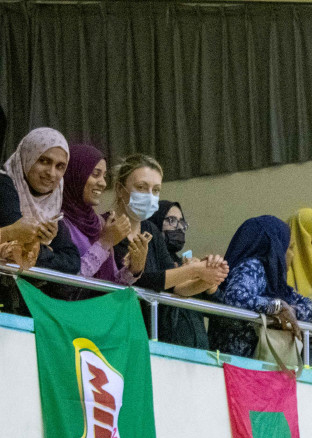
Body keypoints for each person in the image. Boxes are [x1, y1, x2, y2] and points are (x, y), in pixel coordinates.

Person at [107, 154, 226, 345]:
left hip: (154, 335)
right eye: (141, 187)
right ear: (121, 190)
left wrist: (207, 278)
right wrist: (194, 270)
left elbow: (174, 287)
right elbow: (143, 281)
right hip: (119, 332)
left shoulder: (151, 230)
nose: (149, 195)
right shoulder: (106, 227)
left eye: (156, 190)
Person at [208, 215, 312, 359]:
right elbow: (235, 297)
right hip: (236, 365)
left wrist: (293, 309)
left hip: (253, 366)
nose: (292, 254)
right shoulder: (253, 266)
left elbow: (305, 309)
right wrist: (276, 307)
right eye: (289, 247)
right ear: (276, 247)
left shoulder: (272, 280)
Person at [0, 127, 80, 274]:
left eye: (60, 166)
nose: (51, 173)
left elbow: (73, 262)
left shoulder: (52, 201)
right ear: (27, 156)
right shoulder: (4, 186)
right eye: (44, 161)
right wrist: (48, 252)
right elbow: (20, 243)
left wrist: (41, 253)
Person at [59, 143, 138, 285]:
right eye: (95, 174)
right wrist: (104, 243)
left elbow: (111, 284)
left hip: (101, 306)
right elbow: (67, 282)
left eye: (104, 176)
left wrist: (133, 269)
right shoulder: (58, 222)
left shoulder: (99, 222)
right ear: (75, 174)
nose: (102, 183)